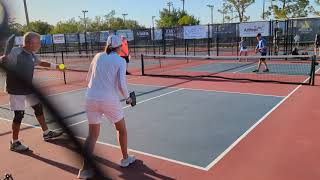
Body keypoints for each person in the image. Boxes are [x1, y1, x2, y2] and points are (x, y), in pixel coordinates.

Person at [78, 35, 135, 179]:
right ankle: (125, 159)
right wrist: (128, 98)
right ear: (119, 47)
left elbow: (88, 78)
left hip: (90, 97)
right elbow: (122, 84)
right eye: (121, 45)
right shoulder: (121, 61)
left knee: (92, 135)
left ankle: (84, 170)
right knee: (121, 130)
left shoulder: (97, 56)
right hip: (109, 100)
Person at [0, 32, 63, 152]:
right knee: (19, 115)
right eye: (37, 42)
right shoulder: (15, 52)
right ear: (30, 42)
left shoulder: (31, 55)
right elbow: (4, 60)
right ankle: (15, 142)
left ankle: (46, 133)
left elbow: (41, 63)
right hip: (16, 89)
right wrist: (3, 59)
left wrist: (58, 66)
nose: (39, 44)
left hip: (28, 88)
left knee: (38, 108)